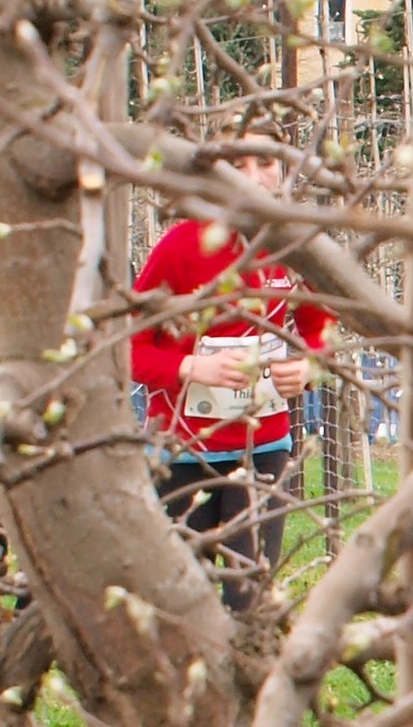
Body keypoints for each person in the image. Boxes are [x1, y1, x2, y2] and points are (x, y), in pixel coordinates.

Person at [128, 161, 330, 608]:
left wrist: (308, 368)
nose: (251, 177)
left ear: (282, 170)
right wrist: (190, 368)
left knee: (248, 595)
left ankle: (251, 653)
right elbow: (128, 347)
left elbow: (321, 332)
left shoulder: (295, 247)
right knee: (184, 598)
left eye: (264, 163)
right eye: (237, 165)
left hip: (263, 447)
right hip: (183, 452)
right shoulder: (182, 245)